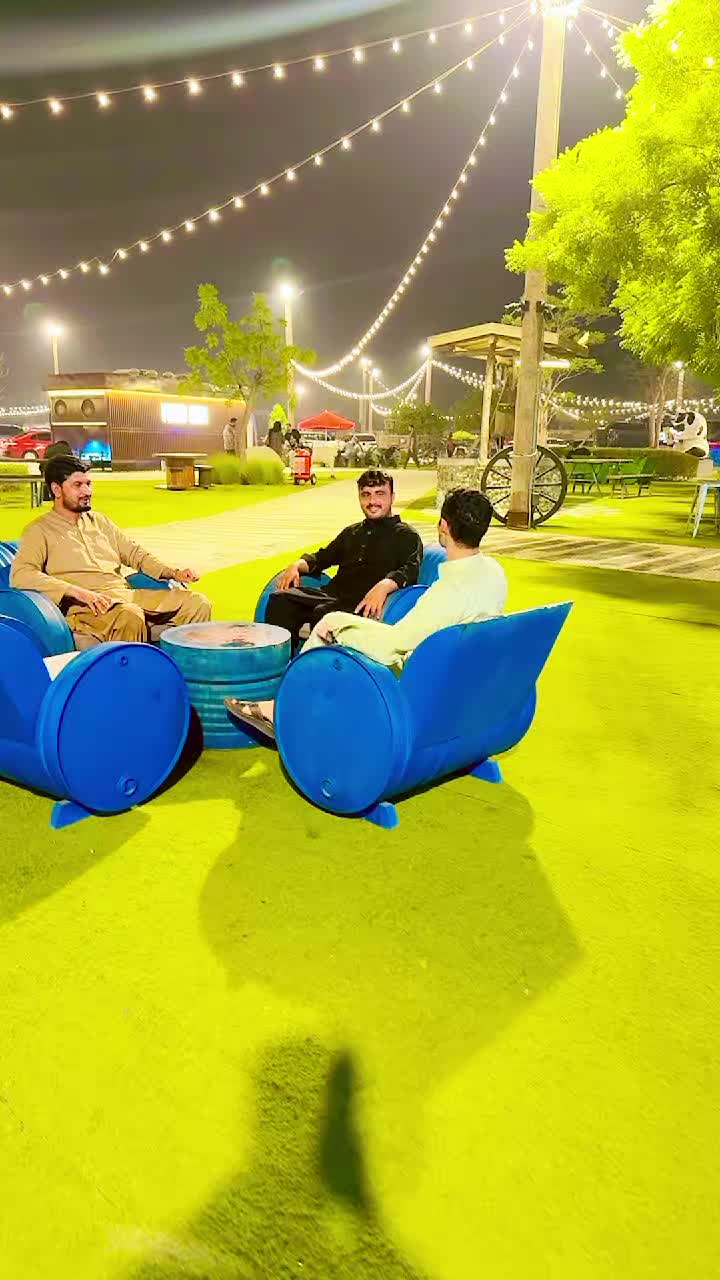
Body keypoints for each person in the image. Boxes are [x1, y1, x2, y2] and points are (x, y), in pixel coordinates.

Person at [227, 488, 507, 740]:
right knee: (332, 619)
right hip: (460, 678)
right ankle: (302, 701)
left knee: (329, 624)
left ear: (443, 525)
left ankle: (283, 710)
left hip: (421, 681)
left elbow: (393, 647)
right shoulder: (494, 573)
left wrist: (341, 630)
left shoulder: (446, 592)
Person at [10, 454, 211, 643]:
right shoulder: (39, 530)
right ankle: (133, 669)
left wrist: (173, 572)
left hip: (125, 596)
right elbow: (21, 574)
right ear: (56, 490)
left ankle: (185, 667)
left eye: (88, 484)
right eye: (78, 485)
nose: (87, 492)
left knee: (197, 603)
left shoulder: (100, 522)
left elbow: (135, 554)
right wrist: (78, 593)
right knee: (130, 616)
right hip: (87, 607)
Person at [262, 469, 423, 651]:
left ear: (392, 497)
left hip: (362, 603)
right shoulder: (352, 532)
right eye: (366, 495)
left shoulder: (406, 535)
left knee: (324, 614)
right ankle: (282, 663)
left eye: (380, 494)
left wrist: (385, 585)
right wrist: (296, 565)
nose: (372, 501)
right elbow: (322, 558)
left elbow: (410, 569)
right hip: (331, 595)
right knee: (280, 600)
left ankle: (318, 667)